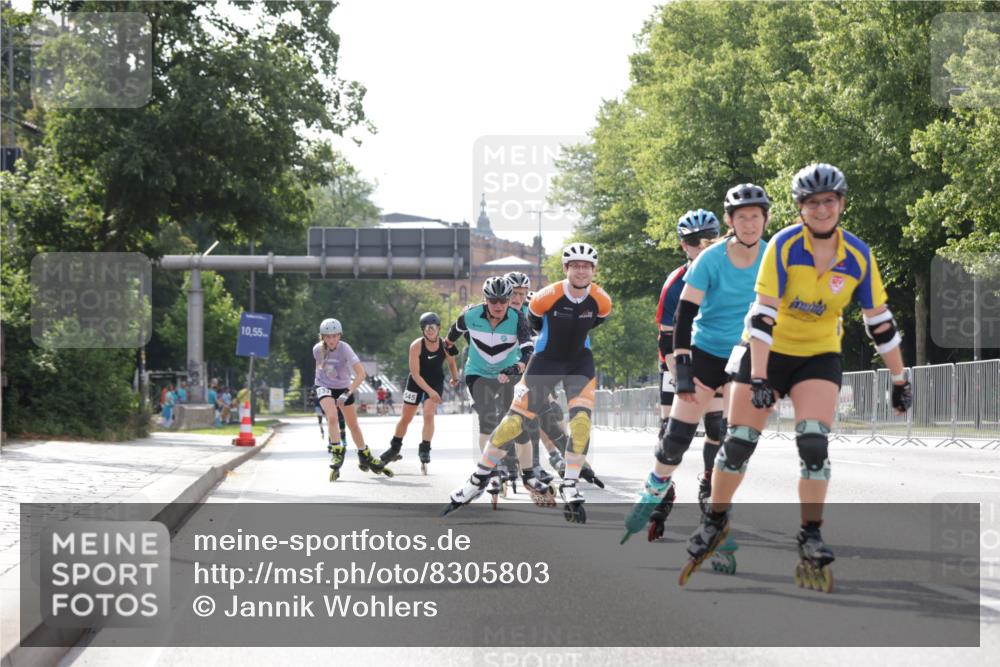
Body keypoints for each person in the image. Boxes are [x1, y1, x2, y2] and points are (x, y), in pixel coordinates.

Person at [681, 164, 913, 590]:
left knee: (813, 444)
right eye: (812, 203)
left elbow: (879, 320)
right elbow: (763, 314)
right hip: (766, 350)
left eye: (829, 201)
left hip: (818, 355)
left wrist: (900, 378)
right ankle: (714, 519)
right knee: (738, 443)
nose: (822, 209)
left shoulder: (858, 254)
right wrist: (760, 378)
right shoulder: (784, 245)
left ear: (842, 203)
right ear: (799, 208)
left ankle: (811, 533)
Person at [624, 196, 768, 544]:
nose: (700, 245)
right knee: (674, 438)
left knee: (729, 437)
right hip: (694, 354)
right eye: (692, 241)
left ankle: (713, 502)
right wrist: (681, 368)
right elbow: (676, 324)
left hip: (741, 355)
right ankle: (656, 487)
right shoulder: (697, 268)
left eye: (756, 217)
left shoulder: (770, 257)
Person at [442, 243, 611, 523]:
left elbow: (594, 323)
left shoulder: (602, 300)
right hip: (545, 362)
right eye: (575, 266)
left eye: (586, 266)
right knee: (513, 422)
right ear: (566, 268)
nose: (581, 271)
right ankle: (478, 478)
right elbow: (533, 324)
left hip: (579, 363)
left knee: (581, 421)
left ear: (594, 270)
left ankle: (569, 482)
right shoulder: (547, 296)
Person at [649, 205, 723, 533]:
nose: (702, 246)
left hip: (716, 357)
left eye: (709, 238)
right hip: (677, 360)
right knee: (671, 431)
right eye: (694, 241)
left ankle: (708, 482)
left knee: (718, 425)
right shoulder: (676, 282)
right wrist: (680, 377)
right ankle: (664, 488)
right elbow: (666, 337)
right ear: (683, 245)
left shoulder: (729, 273)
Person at [441, 276, 533, 503]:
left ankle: (524, 468)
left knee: (515, 422)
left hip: (506, 373)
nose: (499, 305)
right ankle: (491, 471)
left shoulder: (518, 318)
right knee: (487, 416)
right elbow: (451, 336)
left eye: (503, 301)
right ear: (485, 300)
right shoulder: (470, 315)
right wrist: (450, 348)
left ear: (509, 300)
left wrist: (518, 366)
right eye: (493, 301)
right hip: (477, 373)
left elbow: (528, 351)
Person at [313, 318, 393, 481]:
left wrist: (347, 392)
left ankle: (364, 453)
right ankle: (337, 451)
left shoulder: (345, 349)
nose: (331, 340)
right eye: (327, 337)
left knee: (353, 425)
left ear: (340, 335)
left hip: (344, 387)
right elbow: (319, 369)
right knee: (332, 417)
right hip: (323, 386)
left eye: (335, 336)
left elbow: (361, 374)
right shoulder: (317, 349)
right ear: (322, 337)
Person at [380, 312, 460, 474]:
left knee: (429, 415)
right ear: (422, 330)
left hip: (435, 382)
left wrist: (455, 377)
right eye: (427, 328)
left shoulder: (445, 345)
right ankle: (394, 448)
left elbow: (452, 362)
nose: (430, 331)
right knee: (406, 418)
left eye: (433, 327)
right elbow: (415, 374)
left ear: (439, 328)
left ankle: (425, 449)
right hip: (416, 383)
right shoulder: (416, 346)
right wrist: (429, 392)